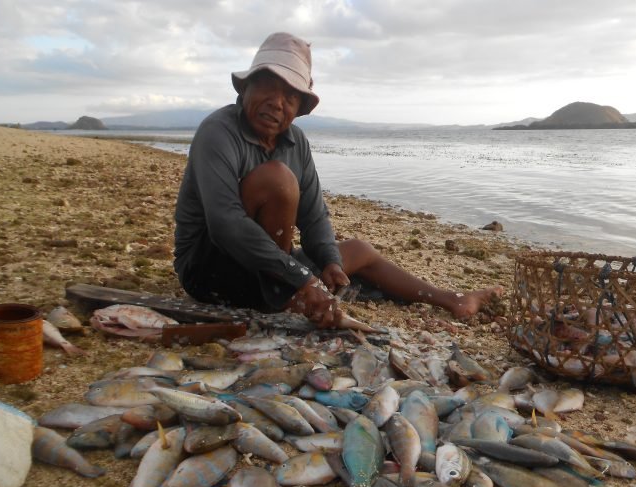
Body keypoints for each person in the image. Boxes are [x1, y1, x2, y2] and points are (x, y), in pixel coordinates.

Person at [174, 32, 503, 328]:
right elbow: (224, 223)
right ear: (246, 88)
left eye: (290, 96)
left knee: (357, 251)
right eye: (267, 87)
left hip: (271, 269)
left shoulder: (296, 142)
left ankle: (453, 299)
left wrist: (329, 262)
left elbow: (314, 217)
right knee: (278, 180)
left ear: (300, 107)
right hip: (211, 272)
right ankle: (283, 297)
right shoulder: (218, 132)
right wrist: (303, 280)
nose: (277, 103)